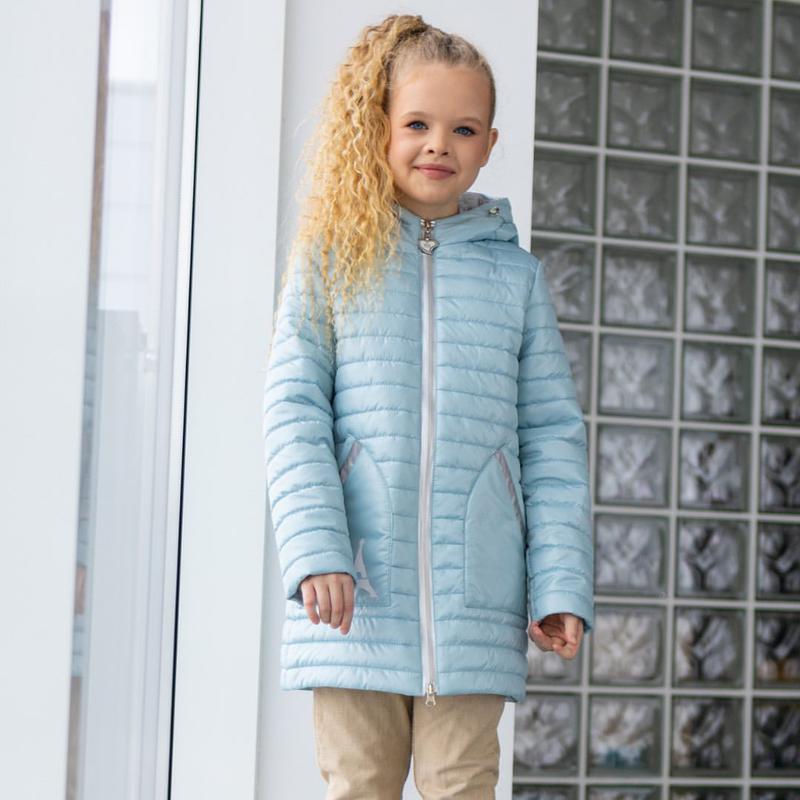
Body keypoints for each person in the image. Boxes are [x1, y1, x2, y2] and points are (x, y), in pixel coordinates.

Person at [262, 13, 594, 799]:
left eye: (462, 129)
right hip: (355, 596)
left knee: (462, 785)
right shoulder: (332, 257)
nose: (438, 144)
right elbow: (293, 409)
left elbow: (552, 440)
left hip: (475, 604)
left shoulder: (516, 280)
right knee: (359, 784)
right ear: (379, 127)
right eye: (417, 123)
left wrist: (558, 583)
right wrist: (317, 552)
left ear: (489, 143)